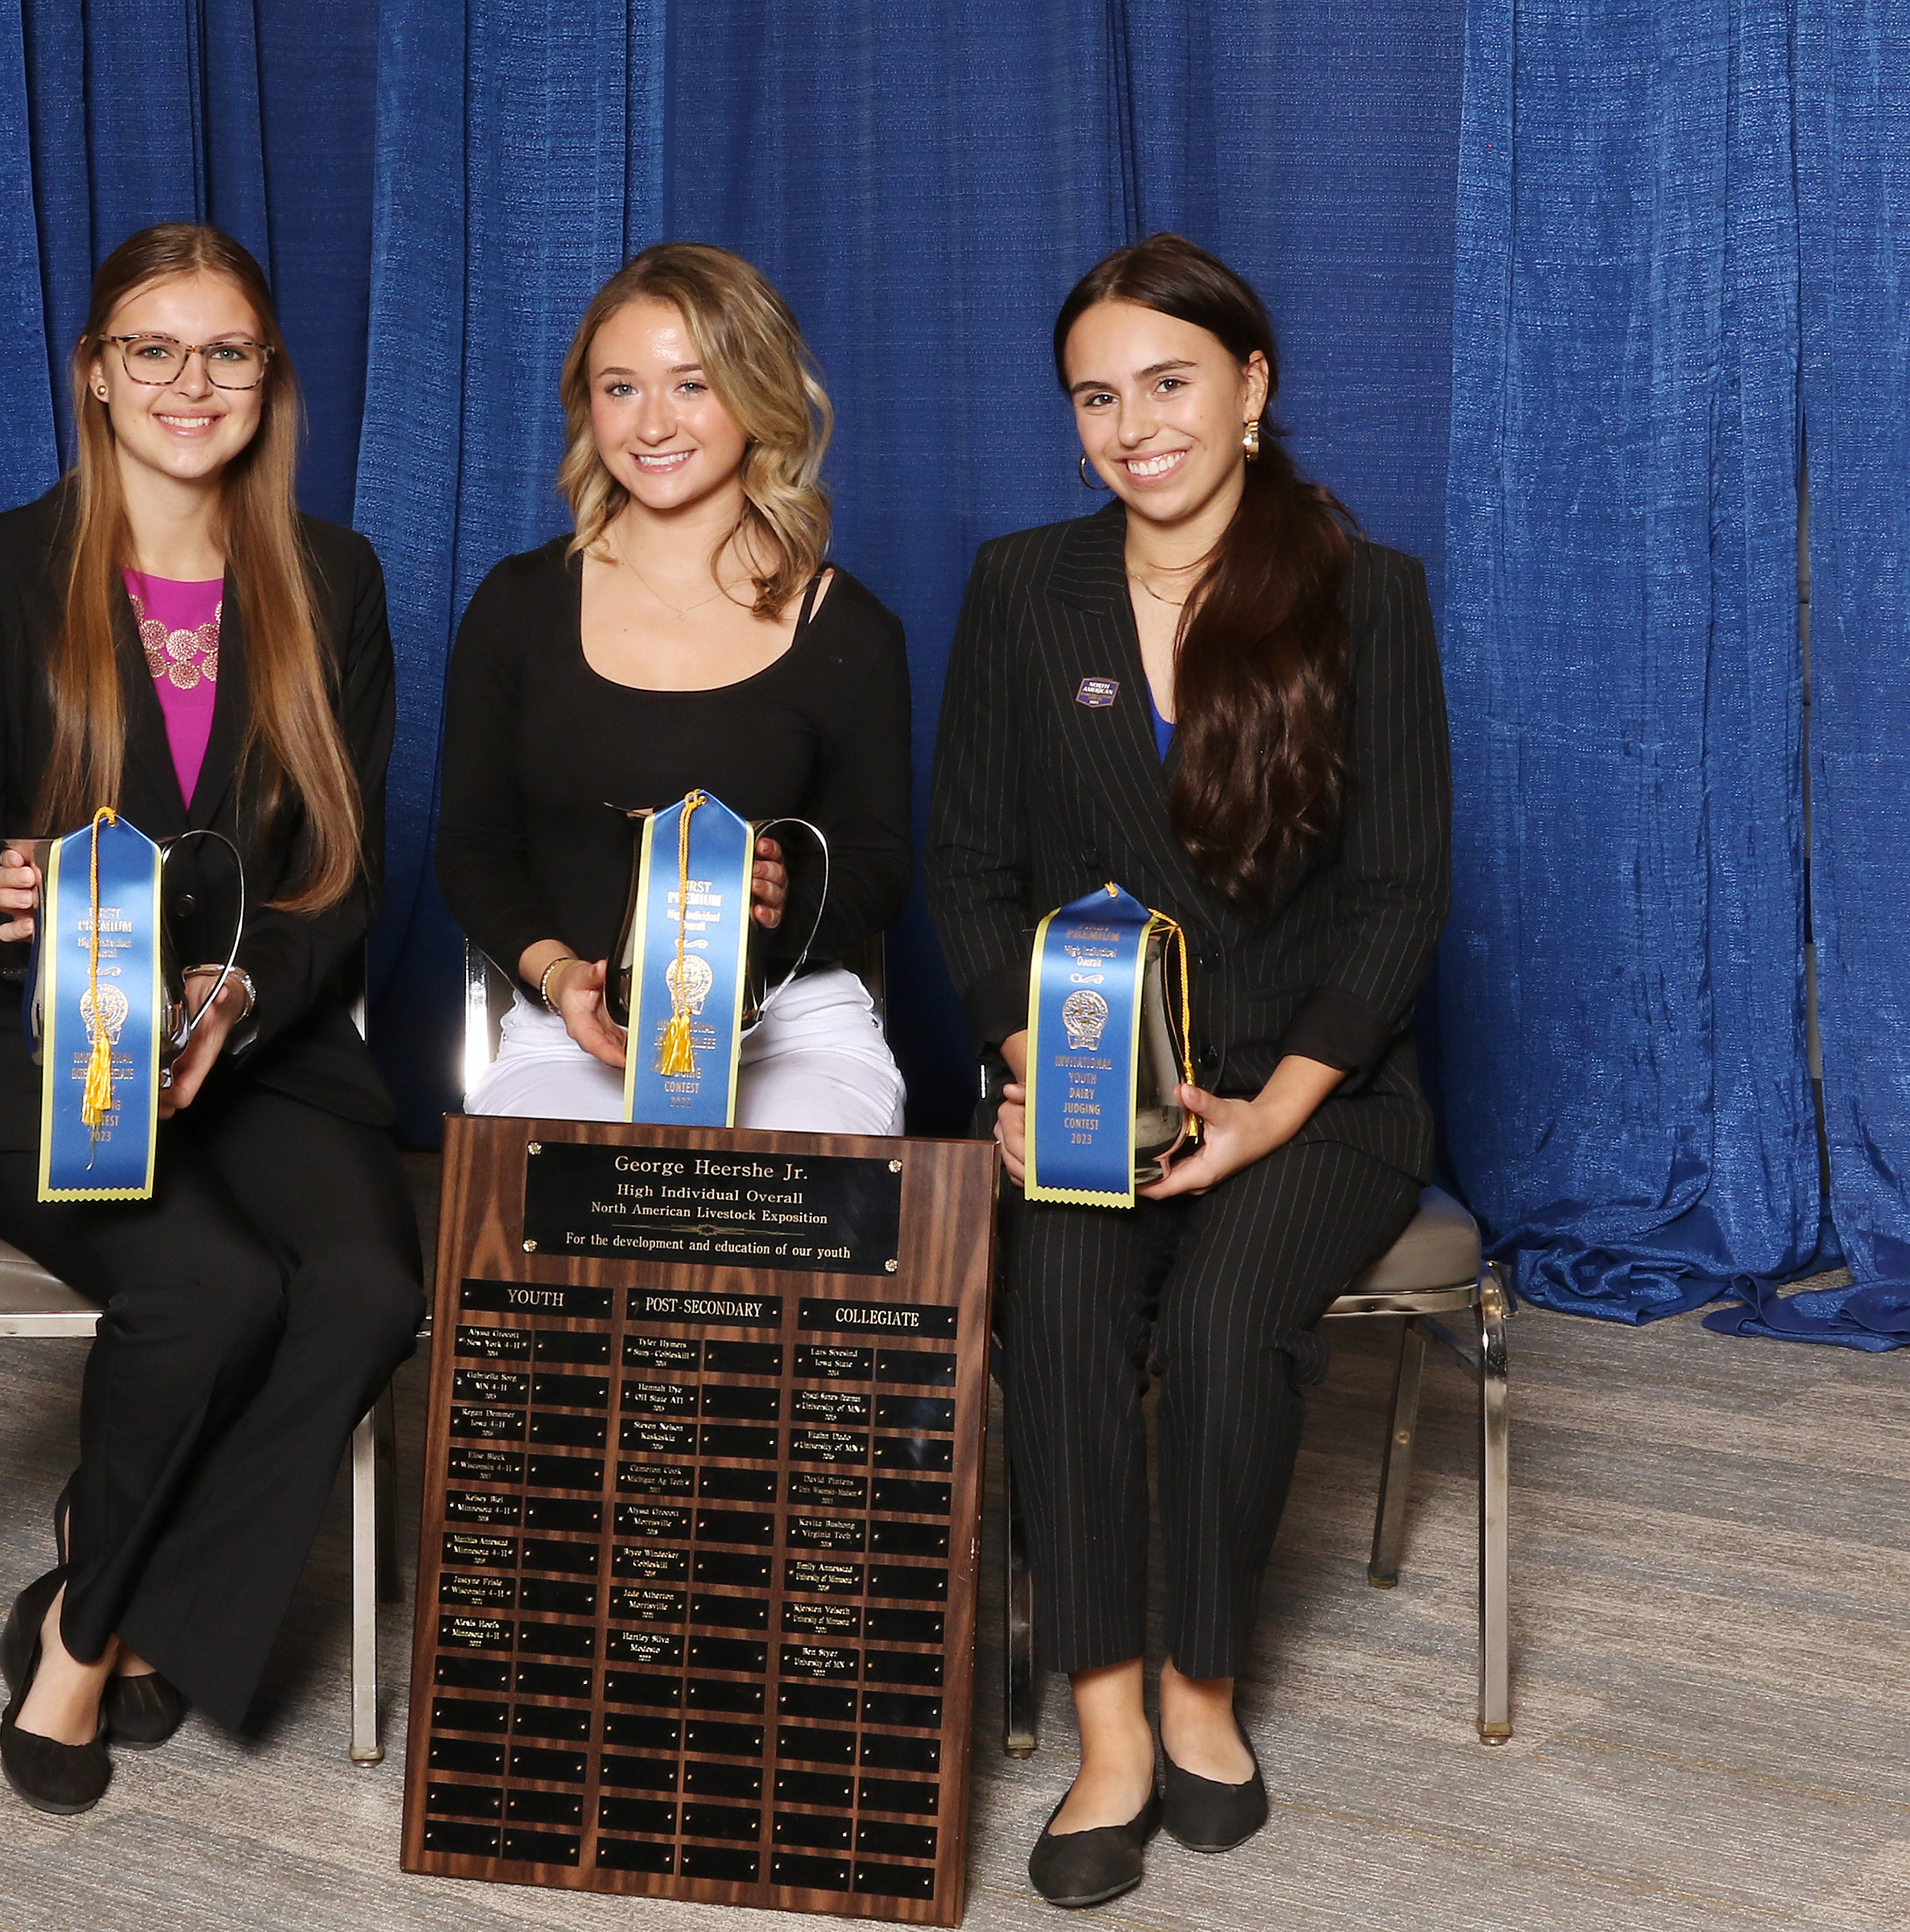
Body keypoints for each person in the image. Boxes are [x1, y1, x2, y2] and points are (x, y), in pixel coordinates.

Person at [926, 234, 1450, 1910]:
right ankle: (1107, 1729)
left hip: (1317, 1093)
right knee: (1063, 1308)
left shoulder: (1370, 597)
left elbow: (1400, 893)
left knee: (1228, 1325)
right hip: (1091, 1086)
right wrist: (1033, 1069)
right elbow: (968, 872)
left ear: (1252, 391)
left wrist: (1273, 1110)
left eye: (1169, 382)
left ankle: (1204, 1692)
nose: (1132, 424)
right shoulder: (1023, 587)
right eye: (1097, 395)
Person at [0, 223, 422, 1816]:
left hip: (266, 1046)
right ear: (95, 375)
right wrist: (0, 901)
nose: (191, 384)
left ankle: (103, 1585)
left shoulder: (333, 578)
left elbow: (342, 880)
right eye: (154, 349)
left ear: (270, 378)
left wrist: (239, 1000)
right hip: (43, 1059)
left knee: (362, 1287)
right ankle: (88, 1644)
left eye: (229, 353)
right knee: (204, 1289)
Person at [436, 243, 913, 1134]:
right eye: (621, 388)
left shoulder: (852, 629)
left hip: (791, 1027)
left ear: (758, 393)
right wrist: (555, 977)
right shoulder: (519, 604)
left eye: (691, 385)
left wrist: (785, 906)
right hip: (570, 1027)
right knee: (554, 1215)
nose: (652, 424)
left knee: (785, 1219)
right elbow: (473, 848)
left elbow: (880, 866)